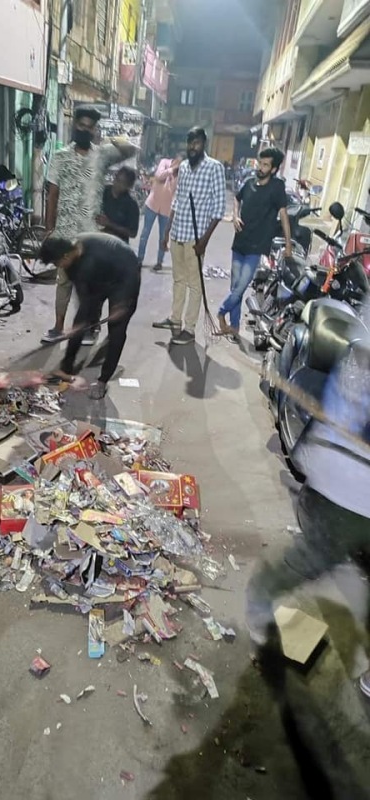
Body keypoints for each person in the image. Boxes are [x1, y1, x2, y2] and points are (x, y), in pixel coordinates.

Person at [246, 338, 370, 699]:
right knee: (315, 556)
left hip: (347, 483)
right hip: (350, 488)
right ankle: (262, 604)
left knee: (320, 557)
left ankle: (264, 602)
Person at [42, 106, 137, 344]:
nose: (84, 130)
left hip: (91, 233)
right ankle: (58, 327)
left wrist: (108, 136)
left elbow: (131, 148)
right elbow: (52, 194)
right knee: (63, 281)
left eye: (90, 127)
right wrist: (49, 228)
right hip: (65, 230)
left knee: (89, 284)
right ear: (74, 125)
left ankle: (90, 328)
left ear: (95, 130)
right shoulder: (60, 156)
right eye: (81, 125)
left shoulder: (102, 155)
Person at [38, 233, 141, 399]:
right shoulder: (72, 265)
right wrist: (79, 325)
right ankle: (66, 369)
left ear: (66, 255)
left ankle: (103, 381)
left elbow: (129, 276)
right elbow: (86, 300)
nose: (59, 267)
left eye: (57, 263)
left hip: (124, 275)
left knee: (117, 328)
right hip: (99, 278)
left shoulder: (95, 254)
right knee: (79, 321)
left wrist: (124, 305)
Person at [153, 127, 225, 345]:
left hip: (196, 237)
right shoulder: (183, 167)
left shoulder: (215, 168)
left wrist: (204, 241)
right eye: (190, 142)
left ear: (204, 143)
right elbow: (177, 200)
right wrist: (166, 232)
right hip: (177, 233)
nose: (193, 147)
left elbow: (219, 209)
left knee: (194, 284)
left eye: (197, 143)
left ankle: (190, 328)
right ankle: (175, 319)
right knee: (178, 279)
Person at [217, 147, 292, 341]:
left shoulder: (276, 188)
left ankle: (220, 312)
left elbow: (283, 215)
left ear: (274, 169)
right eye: (260, 163)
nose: (261, 167)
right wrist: (235, 216)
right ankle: (234, 327)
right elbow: (236, 198)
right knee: (235, 288)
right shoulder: (249, 183)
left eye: (266, 165)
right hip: (239, 242)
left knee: (241, 286)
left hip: (256, 248)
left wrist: (288, 244)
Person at [137, 154, 181, 271]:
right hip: (152, 204)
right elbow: (158, 176)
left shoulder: (181, 174)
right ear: (174, 161)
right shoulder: (164, 163)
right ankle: (139, 259)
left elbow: (178, 192)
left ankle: (159, 262)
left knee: (163, 236)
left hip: (166, 209)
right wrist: (171, 170)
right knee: (145, 234)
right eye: (179, 164)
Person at [97, 167, 140, 244]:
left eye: (122, 182)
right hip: (97, 239)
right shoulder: (103, 191)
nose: (117, 184)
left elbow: (133, 233)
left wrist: (109, 224)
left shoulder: (131, 205)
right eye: (116, 179)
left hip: (117, 245)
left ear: (129, 186)